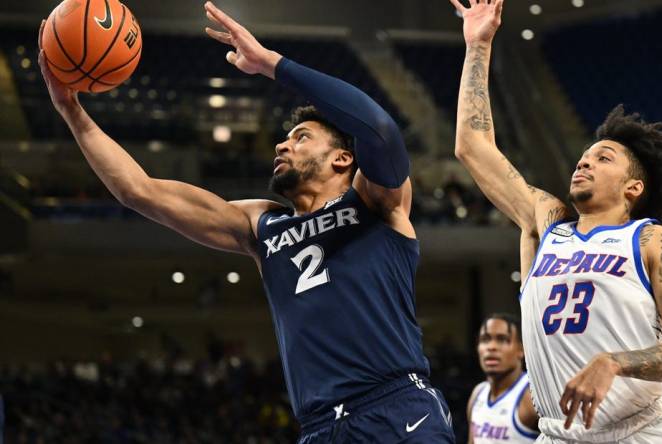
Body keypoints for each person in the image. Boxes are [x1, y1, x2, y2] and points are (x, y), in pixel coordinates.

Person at [37, 2, 454, 442]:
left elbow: (381, 129)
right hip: (321, 428)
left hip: (396, 408)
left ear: (343, 158)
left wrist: (273, 65)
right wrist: (71, 111)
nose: (281, 145)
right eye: (285, 138)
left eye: (300, 137)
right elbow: (139, 191)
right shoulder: (261, 225)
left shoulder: (375, 201)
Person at [449, 0, 662, 442]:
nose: (583, 164)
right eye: (583, 157)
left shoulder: (649, 240)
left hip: (638, 433)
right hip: (558, 434)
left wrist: (614, 362)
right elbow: (472, 146)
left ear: (633, 188)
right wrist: (478, 44)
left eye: (603, 158)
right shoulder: (547, 223)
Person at [468, 314, 539, 443]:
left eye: (502, 339)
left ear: (521, 349)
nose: (491, 347)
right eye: (485, 339)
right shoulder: (477, 393)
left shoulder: (533, 395)